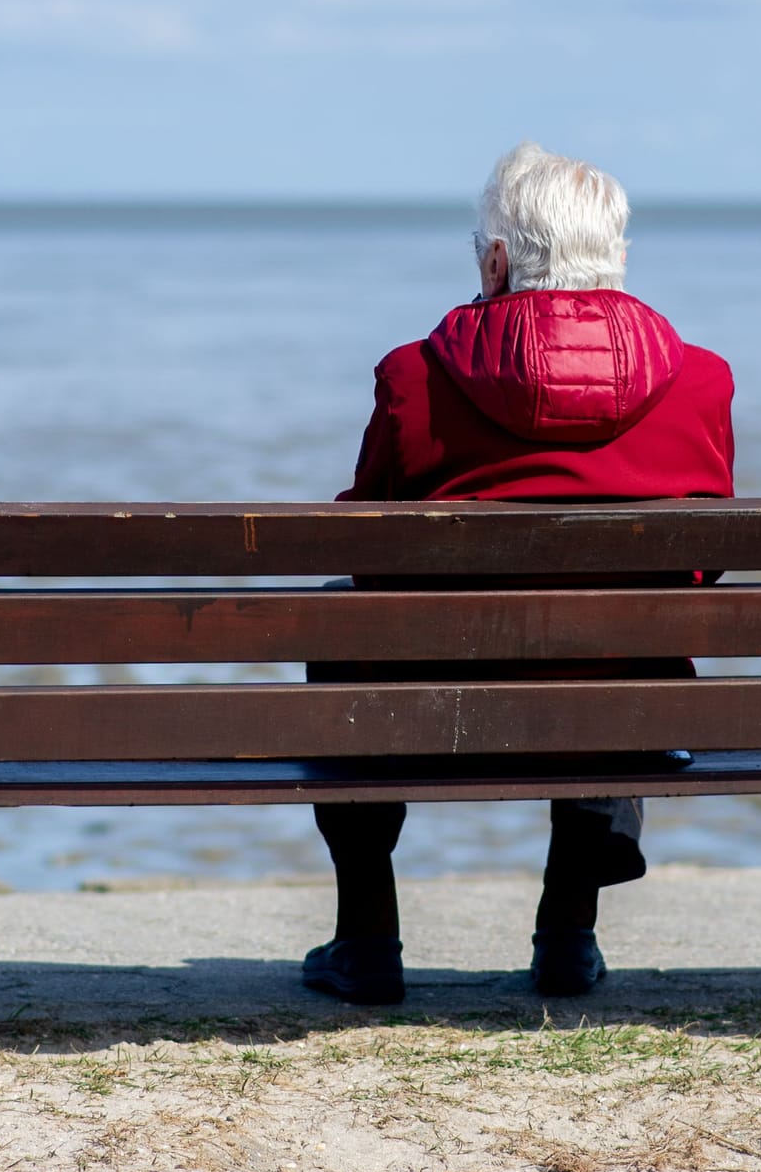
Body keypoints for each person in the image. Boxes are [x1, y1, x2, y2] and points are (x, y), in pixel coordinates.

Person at [304, 142, 736, 1004]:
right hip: (619, 711)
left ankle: (369, 942)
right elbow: (706, 559)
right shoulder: (702, 381)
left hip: (433, 704)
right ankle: (569, 938)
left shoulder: (413, 376)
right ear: (615, 261)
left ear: (498, 260)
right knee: (627, 641)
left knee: (338, 622)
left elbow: (362, 544)